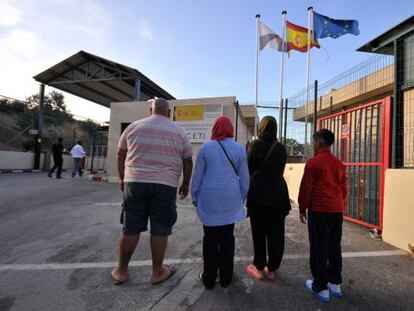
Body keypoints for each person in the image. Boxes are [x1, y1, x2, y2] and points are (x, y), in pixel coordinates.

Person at [111, 98, 193, 285]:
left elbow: (120, 153)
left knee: (130, 227)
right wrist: (185, 184)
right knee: (160, 228)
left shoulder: (133, 127)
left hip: (135, 183)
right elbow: (188, 160)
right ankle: (157, 272)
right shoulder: (179, 132)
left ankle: (121, 271)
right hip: (165, 186)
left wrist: (122, 177)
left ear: (150, 110)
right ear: (169, 113)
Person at [191, 116, 249, 289]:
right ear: (230, 129)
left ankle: (209, 278)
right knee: (227, 238)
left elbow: (198, 176)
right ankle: (226, 277)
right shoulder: (239, 149)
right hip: (230, 199)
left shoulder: (205, 148)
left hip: (209, 199)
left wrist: (194, 196)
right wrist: (241, 198)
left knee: (209, 238)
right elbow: (245, 178)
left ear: (214, 129)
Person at [298, 129, 347, 303]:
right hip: (336, 210)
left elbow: (306, 189)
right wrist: (337, 203)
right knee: (334, 245)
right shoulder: (339, 164)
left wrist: (302, 208)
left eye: (314, 141)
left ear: (319, 142)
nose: (313, 144)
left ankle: (321, 286)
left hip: (319, 210)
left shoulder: (313, 163)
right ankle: (335, 282)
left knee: (319, 247)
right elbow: (344, 189)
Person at [245, 116, 291, 281]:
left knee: (259, 233)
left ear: (261, 127)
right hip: (278, 195)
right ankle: (272, 269)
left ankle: (258, 268)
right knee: (276, 233)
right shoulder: (281, 148)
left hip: (258, 195)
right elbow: (281, 169)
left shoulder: (255, 146)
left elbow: (248, 169)